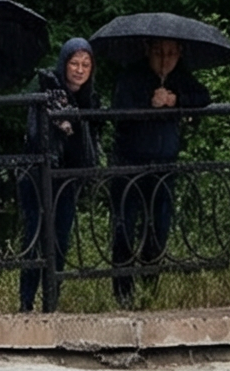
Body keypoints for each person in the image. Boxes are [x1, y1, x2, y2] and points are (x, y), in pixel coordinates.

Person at [106, 36, 208, 308]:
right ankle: (123, 293)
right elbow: (119, 112)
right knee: (124, 228)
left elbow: (203, 97)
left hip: (164, 164)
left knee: (159, 228)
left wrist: (176, 99)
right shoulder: (130, 76)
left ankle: (150, 288)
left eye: (171, 53)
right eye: (159, 52)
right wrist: (149, 102)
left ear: (179, 53)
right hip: (129, 163)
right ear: (148, 50)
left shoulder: (180, 76)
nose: (165, 60)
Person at [17, 37, 97, 313]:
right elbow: (32, 125)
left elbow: (91, 138)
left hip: (68, 177)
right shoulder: (45, 84)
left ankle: (51, 300)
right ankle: (26, 301)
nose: (79, 70)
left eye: (85, 64)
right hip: (38, 173)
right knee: (34, 236)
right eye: (74, 63)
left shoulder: (90, 97)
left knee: (60, 239)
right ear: (64, 63)